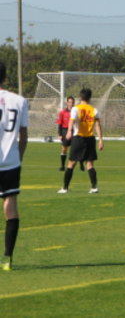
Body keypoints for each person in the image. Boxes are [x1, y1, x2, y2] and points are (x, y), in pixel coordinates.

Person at [0, 61, 29, 271]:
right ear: (5, 76)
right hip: (11, 161)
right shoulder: (20, 101)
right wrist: (18, 157)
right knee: (11, 206)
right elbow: (24, 135)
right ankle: (7, 258)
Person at [58, 88, 104, 194]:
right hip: (90, 139)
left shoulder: (76, 109)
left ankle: (65, 188)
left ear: (80, 97)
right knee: (90, 164)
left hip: (78, 138)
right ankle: (94, 187)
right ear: (90, 98)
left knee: (71, 163)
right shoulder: (94, 110)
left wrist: (69, 131)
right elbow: (97, 125)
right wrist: (101, 140)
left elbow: (71, 121)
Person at [56, 96, 76, 172]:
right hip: (65, 131)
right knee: (64, 149)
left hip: (74, 131)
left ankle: (77, 165)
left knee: (75, 149)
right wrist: (60, 134)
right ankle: (62, 166)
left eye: (72, 102)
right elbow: (59, 123)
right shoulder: (62, 112)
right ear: (67, 103)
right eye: (70, 102)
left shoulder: (76, 111)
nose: (71, 103)